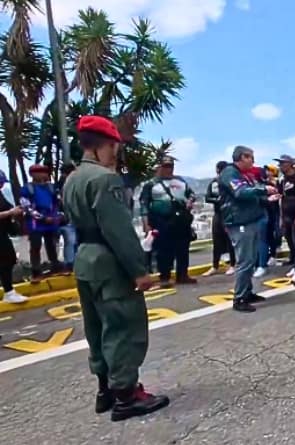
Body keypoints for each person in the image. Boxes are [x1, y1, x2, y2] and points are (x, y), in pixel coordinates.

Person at [63, 115, 169, 422]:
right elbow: (118, 229)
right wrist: (139, 270)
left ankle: (105, 390)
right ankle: (126, 395)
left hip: (85, 259)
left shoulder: (72, 179)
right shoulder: (105, 179)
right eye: (114, 147)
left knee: (96, 327)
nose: (116, 154)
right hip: (109, 261)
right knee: (123, 326)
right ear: (105, 146)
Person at [218, 146, 271, 313]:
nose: (253, 161)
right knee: (245, 260)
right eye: (250, 157)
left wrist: (266, 198)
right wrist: (263, 190)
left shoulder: (243, 175)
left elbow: (250, 194)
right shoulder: (230, 173)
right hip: (239, 222)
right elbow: (240, 193)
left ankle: (247, 292)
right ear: (242, 157)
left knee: (251, 259)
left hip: (250, 220)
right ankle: (239, 298)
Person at [139, 156, 197, 288]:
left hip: (181, 219)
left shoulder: (180, 181)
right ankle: (164, 277)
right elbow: (144, 205)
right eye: (165, 166)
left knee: (183, 248)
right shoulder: (151, 184)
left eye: (170, 166)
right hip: (161, 220)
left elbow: (191, 194)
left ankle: (182, 275)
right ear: (159, 167)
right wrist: (146, 224)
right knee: (164, 249)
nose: (168, 169)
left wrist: (190, 201)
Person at [20, 164, 64, 282]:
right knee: (35, 246)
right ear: (32, 174)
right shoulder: (27, 189)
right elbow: (26, 207)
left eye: (45, 172)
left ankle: (56, 266)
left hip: (51, 221)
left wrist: (58, 215)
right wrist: (43, 218)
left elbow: (58, 202)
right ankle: (36, 271)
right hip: (35, 223)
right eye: (40, 172)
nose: (43, 174)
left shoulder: (52, 188)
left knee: (51, 244)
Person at [275, 155, 295, 282]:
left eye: (282, 163)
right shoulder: (282, 180)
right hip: (286, 215)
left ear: (289, 164)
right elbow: (281, 199)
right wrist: (281, 218)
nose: (280, 166)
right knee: (290, 242)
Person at [203, 161, 236, 277]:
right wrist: (219, 200)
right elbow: (207, 197)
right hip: (218, 214)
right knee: (216, 241)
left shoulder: (230, 181)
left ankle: (233, 265)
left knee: (230, 240)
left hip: (228, 214)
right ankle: (215, 266)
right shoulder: (213, 182)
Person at [0, 169, 26, 303]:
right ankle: (9, 292)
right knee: (6, 260)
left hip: (3, 232)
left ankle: (9, 290)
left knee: (8, 259)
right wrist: (10, 212)